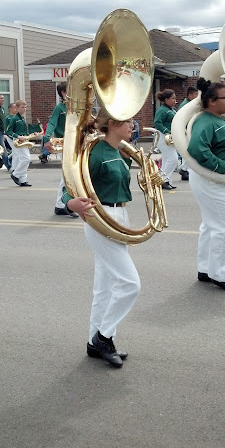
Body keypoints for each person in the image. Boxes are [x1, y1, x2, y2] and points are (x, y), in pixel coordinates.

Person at [63, 111, 141, 368]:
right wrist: (70, 202)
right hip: (101, 216)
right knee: (131, 284)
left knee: (104, 287)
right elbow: (70, 182)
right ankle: (103, 337)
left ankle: (93, 342)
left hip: (120, 214)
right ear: (114, 125)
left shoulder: (119, 151)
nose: (132, 125)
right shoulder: (95, 152)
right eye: (128, 122)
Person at [187, 77, 225, 291]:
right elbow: (196, 149)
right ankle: (219, 273)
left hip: (211, 179)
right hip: (211, 179)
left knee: (212, 225)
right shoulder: (205, 120)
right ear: (211, 101)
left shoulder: (217, 119)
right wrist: (223, 165)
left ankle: (206, 269)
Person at [43, 82, 78, 217]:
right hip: (65, 144)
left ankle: (64, 204)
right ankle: (63, 204)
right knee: (68, 176)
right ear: (63, 93)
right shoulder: (59, 108)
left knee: (73, 176)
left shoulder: (75, 107)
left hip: (76, 144)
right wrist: (46, 138)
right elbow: (52, 122)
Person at [153, 89, 178, 189]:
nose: (175, 100)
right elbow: (157, 123)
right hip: (162, 137)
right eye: (172, 98)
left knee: (168, 159)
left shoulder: (171, 109)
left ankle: (166, 181)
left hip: (168, 137)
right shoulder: (162, 110)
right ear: (166, 99)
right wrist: (167, 131)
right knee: (173, 159)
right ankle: (163, 180)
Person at [6, 100, 32, 187]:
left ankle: (23, 180)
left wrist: (29, 136)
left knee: (25, 159)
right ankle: (15, 174)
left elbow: (24, 130)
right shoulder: (14, 118)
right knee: (26, 159)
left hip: (23, 140)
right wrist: (17, 136)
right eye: (22, 107)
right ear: (17, 108)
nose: (24, 109)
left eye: (25, 107)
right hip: (18, 141)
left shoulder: (22, 118)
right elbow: (8, 131)